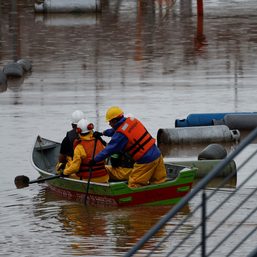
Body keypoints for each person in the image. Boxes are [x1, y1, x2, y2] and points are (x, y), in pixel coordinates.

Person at [91, 106, 167, 188]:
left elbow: (108, 150)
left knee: (134, 185)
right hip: (157, 154)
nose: (109, 124)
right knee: (159, 182)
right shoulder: (131, 121)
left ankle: (137, 200)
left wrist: (94, 160)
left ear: (115, 120)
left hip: (145, 160)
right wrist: (103, 133)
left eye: (110, 122)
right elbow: (116, 131)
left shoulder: (121, 135)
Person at [60, 118, 109, 183]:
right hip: (104, 177)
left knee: (68, 169)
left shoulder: (79, 147)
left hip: (87, 179)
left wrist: (64, 173)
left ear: (78, 131)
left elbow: (75, 168)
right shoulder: (99, 141)